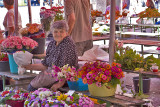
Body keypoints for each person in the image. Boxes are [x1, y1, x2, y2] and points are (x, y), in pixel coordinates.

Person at [23, 20, 78, 92]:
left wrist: (59, 84)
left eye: (61, 31)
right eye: (56, 31)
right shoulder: (52, 44)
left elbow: (67, 68)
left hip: (64, 79)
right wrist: (28, 66)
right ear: (52, 32)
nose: (58, 34)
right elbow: (46, 64)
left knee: (33, 88)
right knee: (32, 86)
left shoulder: (68, 44)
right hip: (52, 74)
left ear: (66, 33)